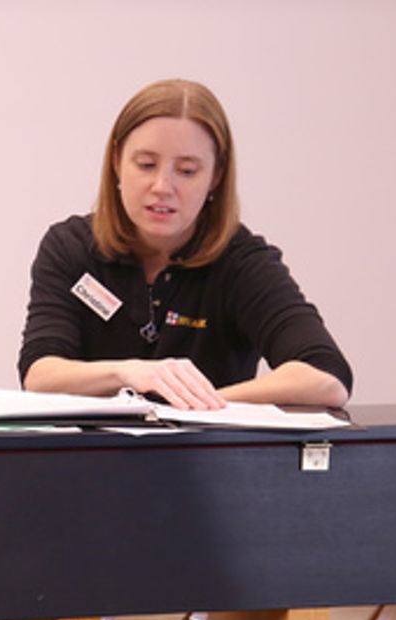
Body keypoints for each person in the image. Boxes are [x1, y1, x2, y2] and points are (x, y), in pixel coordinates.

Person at [18, 79, 352, 410]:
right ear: (117, 161)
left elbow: (327, 377)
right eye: (146, 165)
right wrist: (127, 373)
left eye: (188, 170)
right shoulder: (70, 247)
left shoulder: (242, 262)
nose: (163, 186)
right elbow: (39, 374)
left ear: (215, 176)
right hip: (90, 460)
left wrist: (193, 404)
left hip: (203, 459)